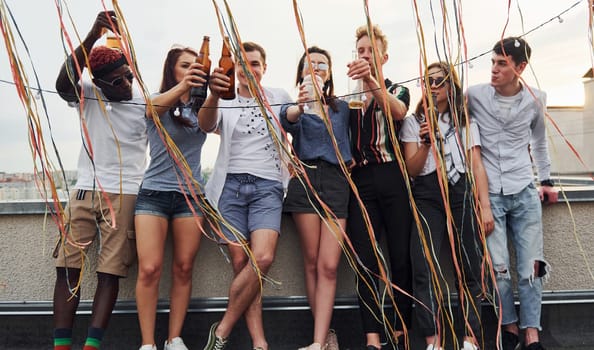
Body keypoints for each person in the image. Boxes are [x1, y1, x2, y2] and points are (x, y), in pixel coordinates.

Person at [53, 11, 147, 350]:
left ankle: (92, 346)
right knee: (68, 269)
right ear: (99, 83)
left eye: (127, 77)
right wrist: (94, 33)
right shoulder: (87, 92)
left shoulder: (142, 98)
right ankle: (61, 346)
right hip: (83, 190)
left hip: (125, 194)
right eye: (117, 82)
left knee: (110, 272)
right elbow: (63, 82)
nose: (125, 85)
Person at [198, 41, 292, 350]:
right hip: (230, 187)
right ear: (234, 69)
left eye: (255, 63)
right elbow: (205, 124)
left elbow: (294, 118)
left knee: (262, 257)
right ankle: (259, 342)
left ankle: (222, 329)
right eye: (243, 64)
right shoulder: (224, 98)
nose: (248, 69)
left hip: (268, 186)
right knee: (242, 264)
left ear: (264, 68)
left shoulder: (278, 97)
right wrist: (213, 93)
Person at [466, 37, 556, 350]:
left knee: (531, 266)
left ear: (520, 67)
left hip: (524, 191)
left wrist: (547, 181)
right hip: (490, 195)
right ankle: (511, 328)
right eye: (492, 62)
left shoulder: (535, 99)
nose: (494, 69)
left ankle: (532, 334)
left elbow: (540, 142)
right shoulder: (475, 95)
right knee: (498, 268)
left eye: (502, 63)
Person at [400, 62, 494, 350]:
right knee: (423, 263)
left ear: (451, 85)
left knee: (470, 264)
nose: (434, 86)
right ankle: (432, 340)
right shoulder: (413, 122)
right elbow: (412, 170)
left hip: (461, 190)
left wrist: (485, 205)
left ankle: (469, 337)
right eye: (427, 81)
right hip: (428, 193)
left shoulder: (465, 122)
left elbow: (476, 164)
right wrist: (427, 143)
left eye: (440, 81)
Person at [135, 46, 208, 350]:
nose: (192, 69)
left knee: (183, 267)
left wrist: (211, 92)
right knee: (150, 268)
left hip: (191, 197)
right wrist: (183, 86)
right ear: (172, 70)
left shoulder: (200, 107)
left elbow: (212, 122)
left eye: (196, 66)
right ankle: (148, 343)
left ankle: (173, 338)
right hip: (154, 193)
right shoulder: (158, 100)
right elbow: (150, 111)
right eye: (185, 65)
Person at [346, 24, 413, 350]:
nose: (365, 55)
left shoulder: (398, 88)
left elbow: (397, 111)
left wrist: (371, 82)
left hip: (393, 177)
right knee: (366, 261)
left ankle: (401, 333)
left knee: (401, 256)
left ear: (384, 57)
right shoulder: (347, 95)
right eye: (360, 50)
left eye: (371, 50)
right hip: (361, 180)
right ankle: (372, 338)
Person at [280, 46, 351, 350]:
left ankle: (321, 339)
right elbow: (287, 120)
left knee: (328, 266)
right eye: (311, 64)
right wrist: (302, 102)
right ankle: (321, 339)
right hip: (305, 180)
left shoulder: (342, 108)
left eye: (323, 64)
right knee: (310, 262)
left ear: (330, 72)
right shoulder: (297, 107)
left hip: (336, 181)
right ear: (301, 73)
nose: (318, 67)